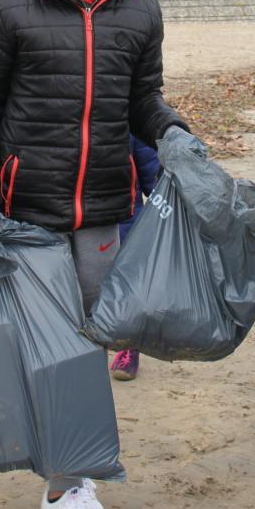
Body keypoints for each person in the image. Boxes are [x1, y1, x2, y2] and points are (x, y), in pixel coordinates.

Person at [0, 0, 189, 509]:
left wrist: (173, 130)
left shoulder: (140, 9)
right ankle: (67, 489)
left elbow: (143, 101)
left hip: (101, 209)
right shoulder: (5, 4)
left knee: (88, 346)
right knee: (51, 352)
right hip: (26, 208)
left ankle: (70, 481)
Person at [109, 134, 161, 382]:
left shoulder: (126, 108)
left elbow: (152, 170)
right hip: (77, 216)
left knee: (127, 287)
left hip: (125, 216)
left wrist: (168, 195)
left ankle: (128, 345)